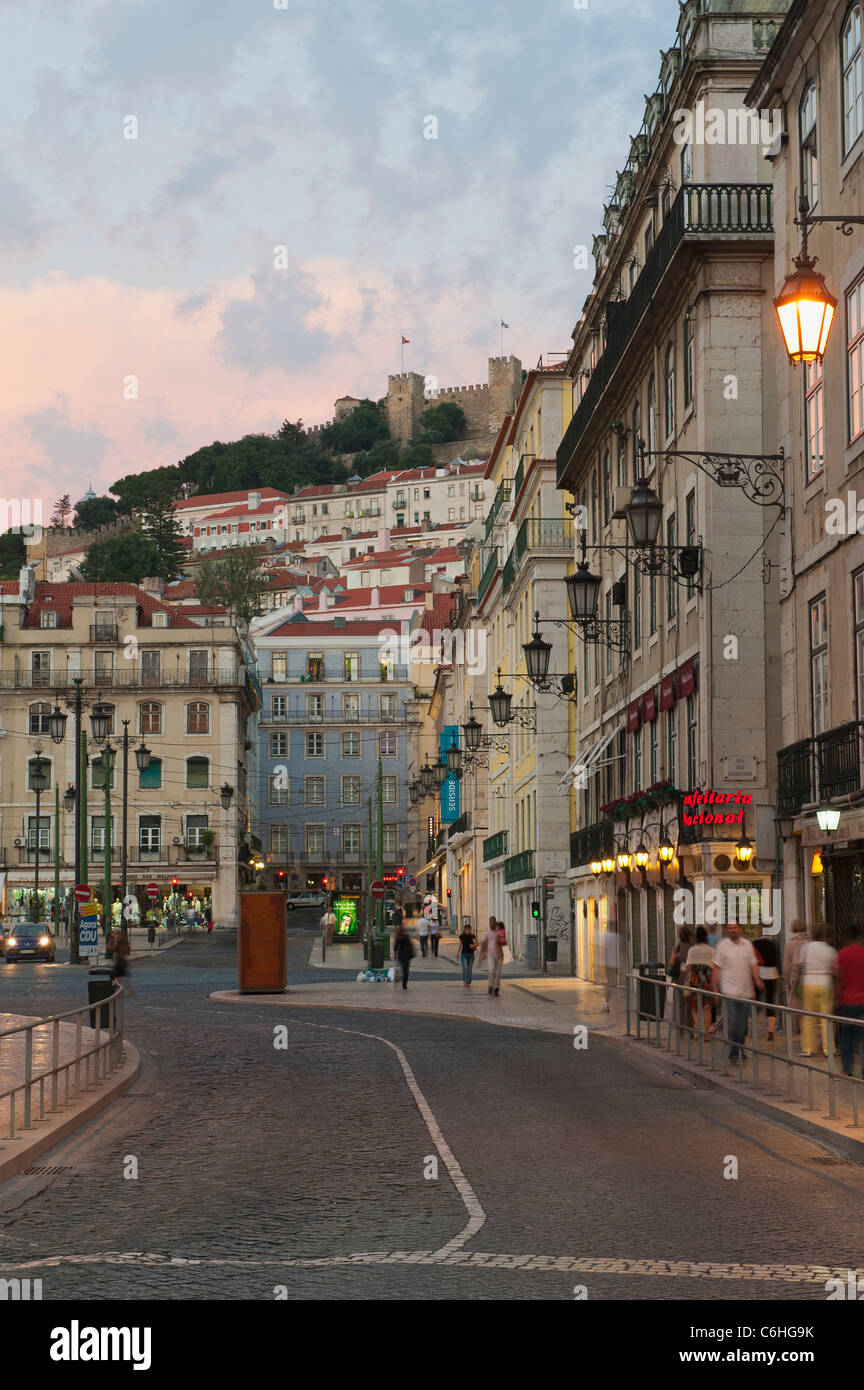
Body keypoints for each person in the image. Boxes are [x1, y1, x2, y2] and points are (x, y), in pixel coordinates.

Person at [712, 922, 761, 1061]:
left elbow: (753, 964)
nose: (733, 930)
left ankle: (739, 1048)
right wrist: (715, 989)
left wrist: (757, 979)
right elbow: (716, 968)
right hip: (729, 991)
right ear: (726, 931)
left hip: (745, 991)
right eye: (730, 928)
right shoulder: (722, 946)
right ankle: (735, 1052)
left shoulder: (747, 945)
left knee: (743, 1025)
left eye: (735, 928)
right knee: (734, 1023)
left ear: (740, 929)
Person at [798, 922, 837, 1057]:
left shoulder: (806, 947)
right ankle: (828, 1049)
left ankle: (808, 1048)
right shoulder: (830, 950)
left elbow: (799, 965)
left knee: (808, 1017)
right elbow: (834, 969)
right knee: (826, 1018)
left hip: (808, 983)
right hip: (825, 984)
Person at [836, 924, 864, 1078]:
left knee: (846, 1035)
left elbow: (838, 980)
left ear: (847, 937)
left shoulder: (841, 955)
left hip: (846, 1001)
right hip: (863, 1001)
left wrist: (836, 998)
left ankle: (847, 1068)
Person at [685, 926, 715, 1038]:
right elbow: (714, 967)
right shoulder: (711, 950)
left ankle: (698, 1031)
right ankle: (707, 1033)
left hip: (695, 982)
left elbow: (688, 967)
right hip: (707, 982)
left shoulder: (692, 950)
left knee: (694, 1007)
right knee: (707, 1008)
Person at [754, 930, 781, 1041]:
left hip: (759, 974)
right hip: (772, 974)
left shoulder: (755, 944)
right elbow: (777, 960)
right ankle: (770, 1031)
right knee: (770, 1001)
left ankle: (753, 1029)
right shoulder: (773, 944)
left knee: (755, 1002)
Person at [785, 919, 809, 1030]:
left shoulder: (789, 944)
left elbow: (787, 965)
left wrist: (786, 979)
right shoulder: (810, 941)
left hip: (795, 979)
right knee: (807, 1005)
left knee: (798, 1005)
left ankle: (801, 1029)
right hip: (808, 977)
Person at [668, 925, 692, 1029]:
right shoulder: (692, 947)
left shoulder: (678, 947)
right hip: (690, 977)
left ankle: (680, 1027)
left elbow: (671, 962)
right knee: (690, 1003)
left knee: (680, 1003)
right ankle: (690, 1028)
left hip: (679, 978)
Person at [480, 918, 505, 996]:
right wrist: (482, 953)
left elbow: (504, 942)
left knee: (498, 973)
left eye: (494, 922)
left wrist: (500, 942)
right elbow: (484, 943)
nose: (493, 924)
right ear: (489, 923)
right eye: (491, 922)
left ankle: (496, 988)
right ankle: (490, 986)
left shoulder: (499, 932)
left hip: (499, 954)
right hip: (490, 954)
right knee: (491, 970)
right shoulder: (486, 932)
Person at [599, 925, 619, 1012]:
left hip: (608, 964)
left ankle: (606, 1004)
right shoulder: (617, 937)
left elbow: (602, 950)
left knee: (607, 985)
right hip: (614, 964)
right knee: (609, 985)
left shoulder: (606, 937)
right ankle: (607, 1003)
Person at [110, 929, 133, 996]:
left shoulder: (117, 939)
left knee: (117, 977)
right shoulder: (123, 939)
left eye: (113, 933)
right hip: (124, 960)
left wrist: (112, 941)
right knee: (125, 976)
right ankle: (129, 991)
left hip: (119, 961)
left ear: (115, 933)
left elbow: (113, 948)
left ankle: (118, 992)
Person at [393, 921, 415, 990]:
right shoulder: (406, 936)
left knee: (401, 969)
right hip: (407, 955)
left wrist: (395, 954)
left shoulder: (398, 937)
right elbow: (410, 945)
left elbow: (395, 947)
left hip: (401, 955)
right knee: (406, 971)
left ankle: (398, 978)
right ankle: (404, 985)